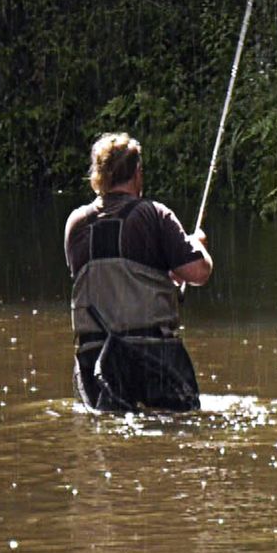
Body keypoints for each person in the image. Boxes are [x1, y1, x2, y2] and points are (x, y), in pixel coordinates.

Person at [65, 132, 213, 411]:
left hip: (95, 359)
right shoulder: (154, 214)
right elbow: (198, 272)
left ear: (99, 176)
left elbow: (112, 280)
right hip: (153, 356)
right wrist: (197, 245)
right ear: (137, 173)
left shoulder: (76, 224)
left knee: (107, 425)